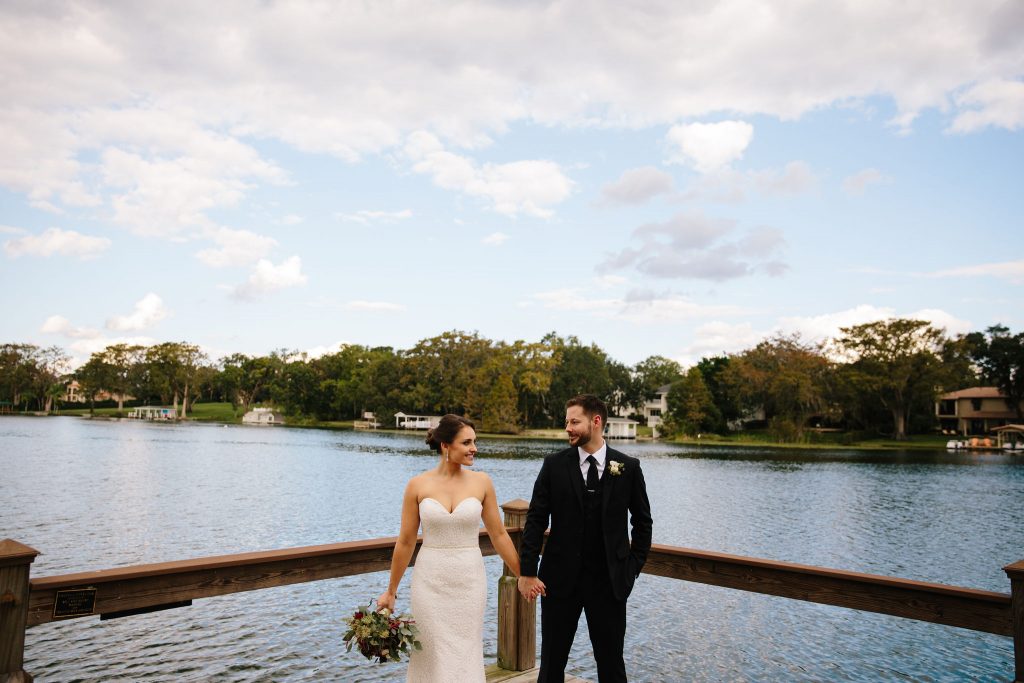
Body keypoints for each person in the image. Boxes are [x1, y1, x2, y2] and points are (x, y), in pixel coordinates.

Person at [517, 394, 653, 683]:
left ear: (596, 422)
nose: (568, 427)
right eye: (566, 421)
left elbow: (643, 524)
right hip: (558, 582)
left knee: (611, 664)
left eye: (574, 421)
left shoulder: (628, 467)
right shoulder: (553, 465)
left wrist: (630, 570)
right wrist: (528, 571)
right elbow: (535, 521)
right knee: (552, 664)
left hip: (610, 585)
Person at [377, 414, 522, 683]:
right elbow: (406, 541)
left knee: (465, 652)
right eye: (466, 442)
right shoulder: (417, 485)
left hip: (469, 580)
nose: (474, 448)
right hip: (430, 582)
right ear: (445, 445)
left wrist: (523, 574)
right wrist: (391, 590)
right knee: (431, 652)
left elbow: (499, 534)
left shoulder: (482, 482)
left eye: (475, 442)